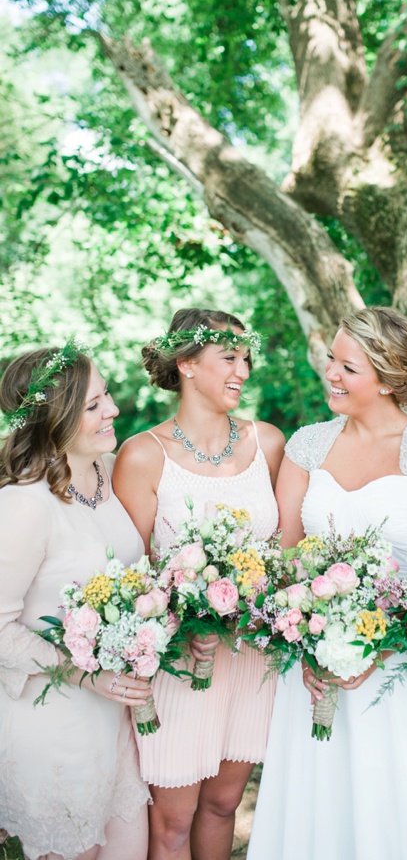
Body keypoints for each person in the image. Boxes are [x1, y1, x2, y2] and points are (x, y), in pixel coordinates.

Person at [246, 307, 407, 860]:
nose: (331, 375)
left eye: (348, 367)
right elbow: (285, 560)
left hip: (401, 673)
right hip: (313, 671)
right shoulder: (307, 446)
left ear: (387, 379)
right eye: (332, 361)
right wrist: (307, 640)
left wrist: (377, 648)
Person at [110, 309, 284, 860]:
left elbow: (283, 553)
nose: (243, 371)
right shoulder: (142, 455)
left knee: (224, 805)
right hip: (179, 664)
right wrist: (180, 621)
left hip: (252, 656)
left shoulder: (270, 444)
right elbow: (128, 575)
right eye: (229, 358)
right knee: (172, 824)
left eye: (245, 358)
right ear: (186, 364)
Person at [0, 343, 151, 860]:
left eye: (106, 395)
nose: (112, 410)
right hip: (57, 725)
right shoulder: (24, 505)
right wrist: (88, 673)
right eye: (93, 405)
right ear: (52, 420)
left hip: (115, 723)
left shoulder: (109, 469)